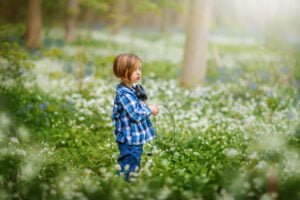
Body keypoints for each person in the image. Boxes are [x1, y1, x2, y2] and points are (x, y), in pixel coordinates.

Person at [111, 53, 159, 181]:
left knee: (134, 161)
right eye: (134, 70)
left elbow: (140, 104)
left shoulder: (132, 89)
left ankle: (128, 183)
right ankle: (123, 186)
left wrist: (148, 106)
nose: (138, 73)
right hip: (129, 139)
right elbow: (136, 114)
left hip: (135, 138)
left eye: (139, 69)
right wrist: (149, 109)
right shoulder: (124, 94)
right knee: (129, 164)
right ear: (122, 73)